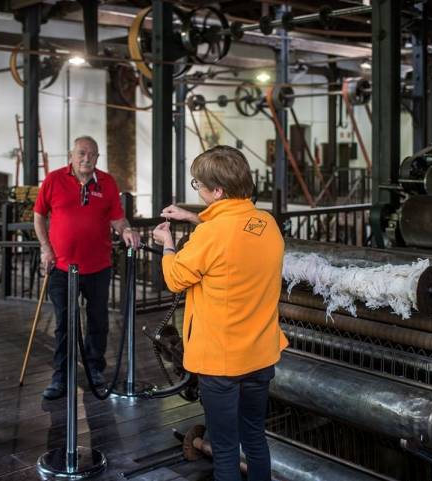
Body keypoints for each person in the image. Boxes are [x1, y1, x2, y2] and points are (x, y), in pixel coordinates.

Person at [152, 145, 287, 481]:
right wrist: (195, 217)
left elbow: (175, 277)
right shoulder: (266, 223)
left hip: (222, 363)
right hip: (260, 355)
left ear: (218, 191)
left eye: (198, 185)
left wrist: (167, 244)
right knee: (255, 438)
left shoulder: (210, 235)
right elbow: (235, 232)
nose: (196, 190)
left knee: (225, 449)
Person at [33, 135, 140, 400]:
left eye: (92, 154)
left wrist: (126, 229)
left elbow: (117, 218)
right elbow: (38, 215)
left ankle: (95, 370)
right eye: (81, 153)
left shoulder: (107, 182)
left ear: (97, 158)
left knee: (98, 323)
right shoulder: (54, 180)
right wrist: (45, 248)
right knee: (64, 324)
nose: (86, 158)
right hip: (62, 267)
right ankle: (61, 376)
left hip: (98, 267)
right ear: (71, 154)